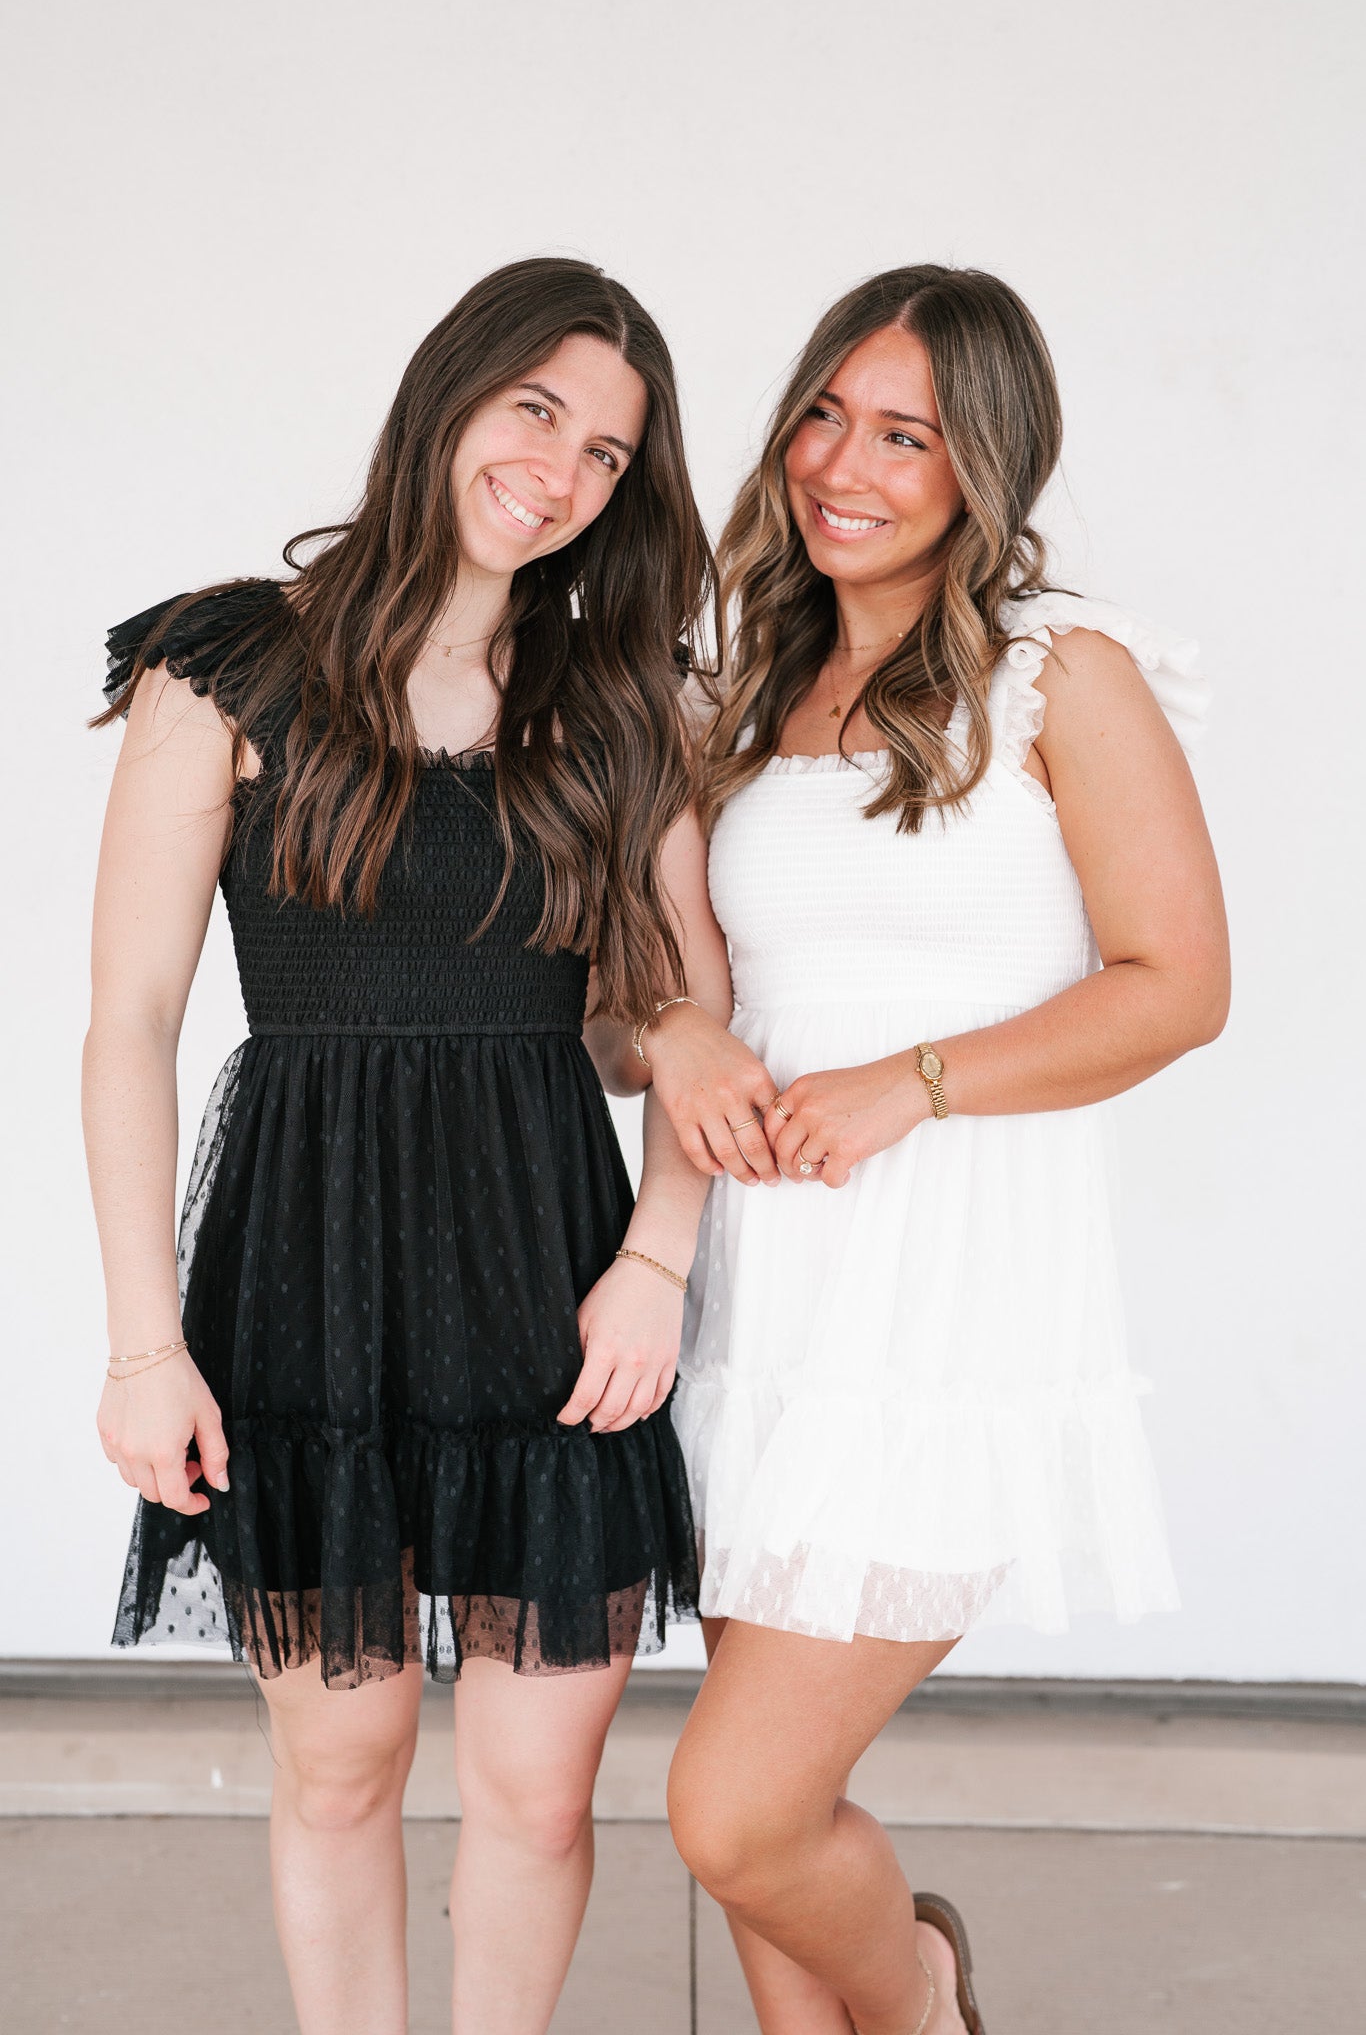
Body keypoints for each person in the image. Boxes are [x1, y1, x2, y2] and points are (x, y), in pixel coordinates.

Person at [83, 257, 732, 2035]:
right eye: (537, 411)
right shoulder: (225, 662)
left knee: (538, 1793)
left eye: (607, 454)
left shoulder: (623, 694)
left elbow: (685, 1011)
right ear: (450, 394)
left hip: (551, 1271)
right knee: (341, 1770)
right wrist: (143, 1345)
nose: (561, 472)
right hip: (303, 1265)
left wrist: (659, 1258)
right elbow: (130, 1020)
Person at [632, 265, 1229, 2035]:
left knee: (734, 1814)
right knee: (770, 1809)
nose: (843, 465)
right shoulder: (742, 685)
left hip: (945, 1311)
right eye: (824, 415)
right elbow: (669, 979)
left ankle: (920, 1997)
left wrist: (915, 1082)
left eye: (904, 435)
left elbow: (1178, 988)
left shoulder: (1060, 675)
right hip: (756, 1303)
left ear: (985, 464)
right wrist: (671, 1031)